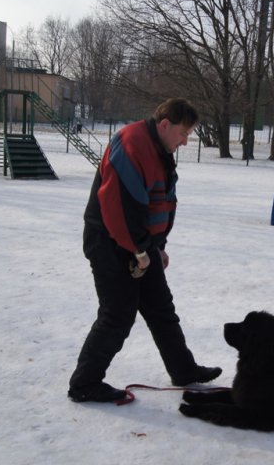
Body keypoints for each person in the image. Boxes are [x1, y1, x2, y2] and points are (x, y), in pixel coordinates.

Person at [68, 98, 222, 403]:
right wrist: (140, 251)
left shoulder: (159, 149)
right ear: (164, 125)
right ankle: (84, 383)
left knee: (160, 308)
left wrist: (156, 247)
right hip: (110, 242)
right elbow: (118, 210)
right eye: (183, 133)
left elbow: (157, 202)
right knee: (117, 315)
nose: (185, 140)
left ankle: (184, 370)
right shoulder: (131, 144)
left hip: (138, 242)